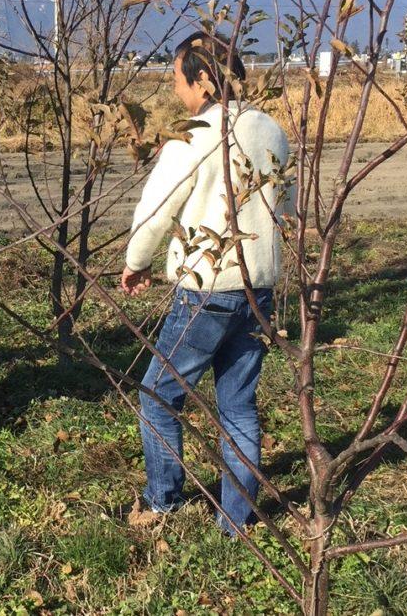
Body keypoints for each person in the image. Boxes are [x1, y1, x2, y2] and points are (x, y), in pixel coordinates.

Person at [120, 33, 289, 535]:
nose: (176, 91)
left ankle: (162, 502)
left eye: (177, 79)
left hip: (207, 287)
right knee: (237, 404)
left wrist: (136, 261)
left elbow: (156, 210)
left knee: (158, 396)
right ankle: (235, 521)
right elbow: (285, 209)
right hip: (258, 288)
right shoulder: (271, 130)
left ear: (203, 79)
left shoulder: (195, 133)